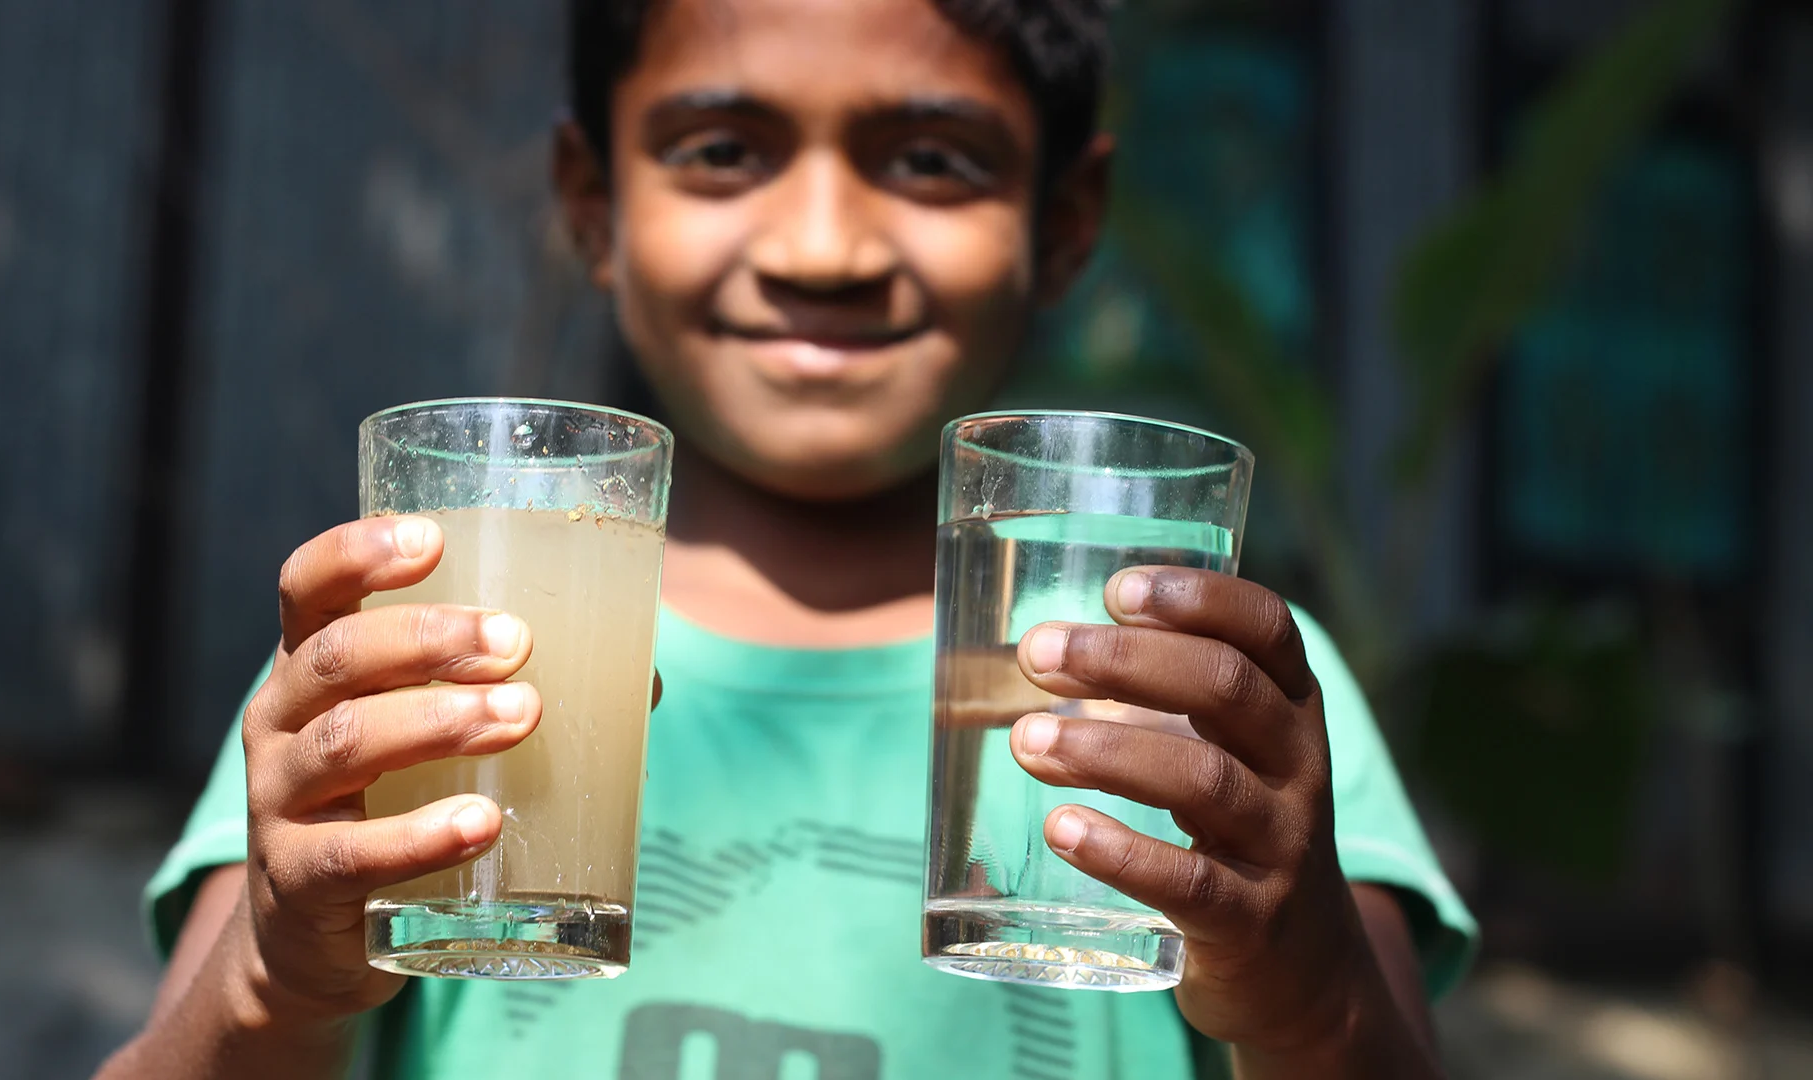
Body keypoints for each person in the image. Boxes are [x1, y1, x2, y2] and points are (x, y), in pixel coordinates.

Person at [97, 0, 1476, 1076]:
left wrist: (1309, 1013)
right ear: (592, 201)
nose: (823, 244)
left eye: (933, 160)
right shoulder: (409, 653)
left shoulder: (1213, 690)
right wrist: (274, 982)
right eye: (723, 150)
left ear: (1066, 222)